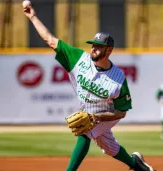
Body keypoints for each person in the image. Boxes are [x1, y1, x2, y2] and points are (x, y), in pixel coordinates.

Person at [23, 1, 155, 171]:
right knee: (109, 147)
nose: (93, 48)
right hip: (90, 113)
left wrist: (96, 118)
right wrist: (33, 17)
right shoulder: (79, 59)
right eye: (93, 45)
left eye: (99, 46)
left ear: (109, 51)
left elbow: (121, 112)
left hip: (107, 115)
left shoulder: (118, 80)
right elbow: (50, 40)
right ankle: (136, 164)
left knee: (84, 130)